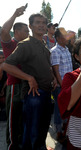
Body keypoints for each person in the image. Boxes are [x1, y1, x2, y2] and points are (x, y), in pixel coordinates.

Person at [2, 13, 57, 150]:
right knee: (32, 133)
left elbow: (46, 65)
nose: (41, 25)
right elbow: (6, 65)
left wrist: (53, 77)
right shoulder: (25, 44)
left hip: (46, 93)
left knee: (42, 131)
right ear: (31, 26)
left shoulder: (44, 45)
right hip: (34, 95)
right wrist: (29, 78)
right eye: (37, 22)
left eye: (44, 23)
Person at [0, 6, 29, 150]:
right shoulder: (10, 43)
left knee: (24, 120)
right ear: (16, 32)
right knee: (14, 121)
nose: (28, 32)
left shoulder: (28, 45)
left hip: (28, 86)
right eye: (26, 30)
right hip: (15, 87)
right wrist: (15, 14)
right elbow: (4, 31)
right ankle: (12, 146)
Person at [50, 27, 73, 143]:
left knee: (67, 108)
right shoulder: (55, 51)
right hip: (60, 86)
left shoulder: (66, 49)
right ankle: (59, 133)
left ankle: (65, 129)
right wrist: (62, 85)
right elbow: (56, 70)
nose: (67, 38)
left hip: (68, 85)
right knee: (59, 109)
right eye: (64, 36)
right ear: (58, 38)